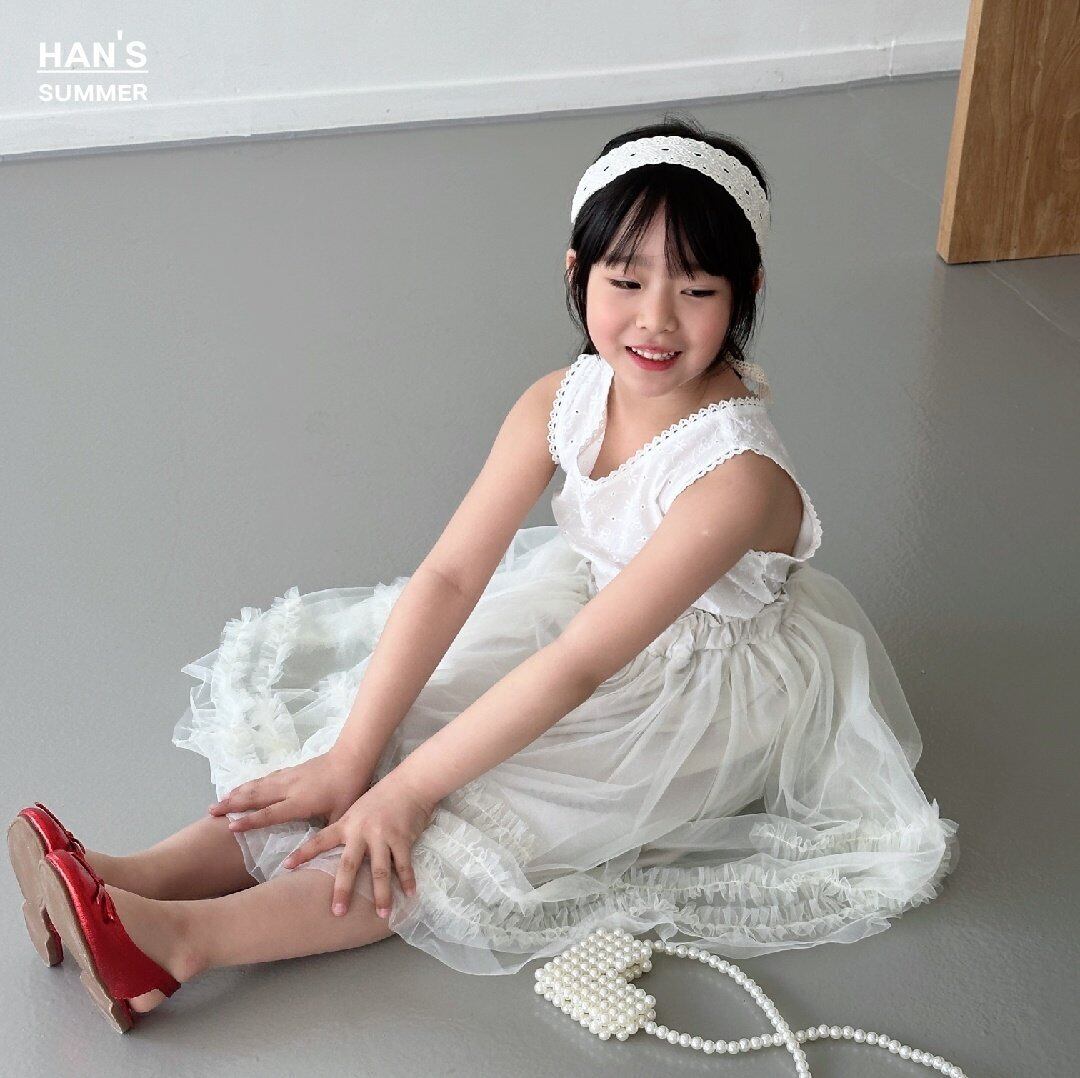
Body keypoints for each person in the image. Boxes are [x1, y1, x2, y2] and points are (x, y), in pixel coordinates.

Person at [8, 116, 959, 1031]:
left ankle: (177, 945)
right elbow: (451, 578)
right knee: (372, 746)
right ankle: (132, 876)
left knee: (453, 826)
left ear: (746, 290)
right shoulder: (563, 398)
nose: (656, 320)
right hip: (588, 612)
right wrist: (353, 758)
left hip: (693, 690)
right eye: (626, 281)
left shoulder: (734, 477)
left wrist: (407, 793)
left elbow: (578, 668)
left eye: (697, 291)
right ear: (577, 273)